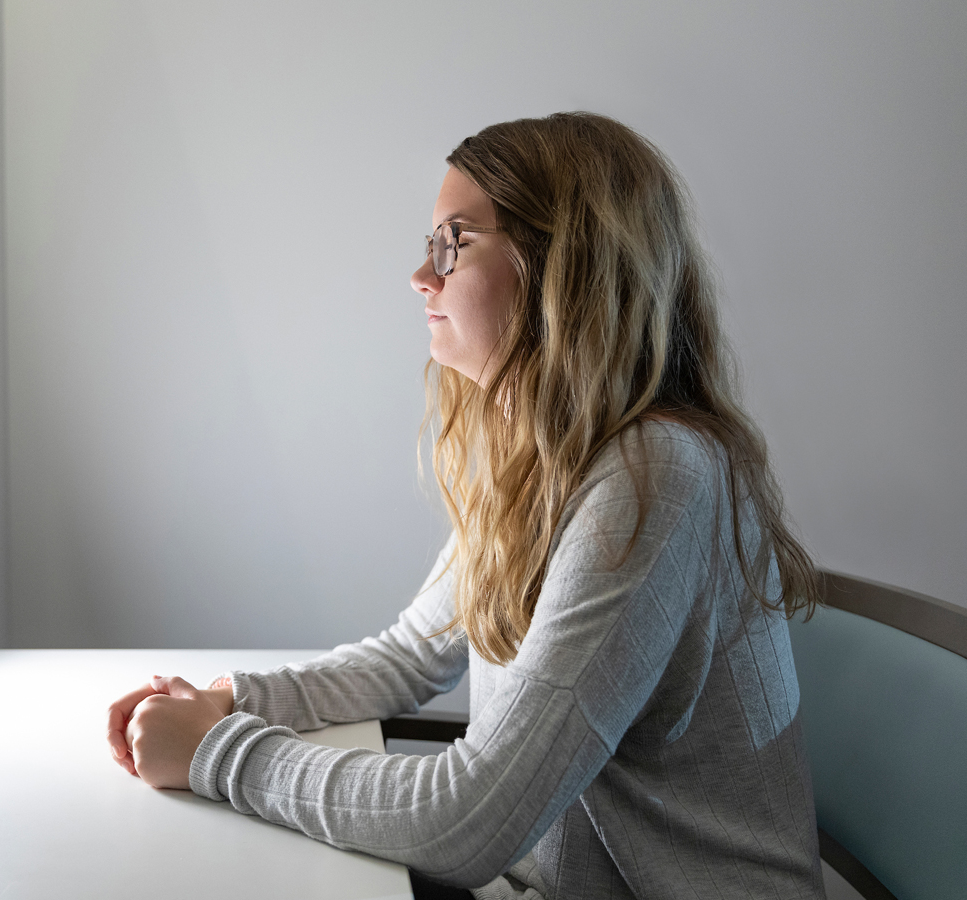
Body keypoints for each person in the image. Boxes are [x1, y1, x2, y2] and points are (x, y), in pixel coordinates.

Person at [105, 112, 826, 900]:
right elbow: (413, 655)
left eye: (454, 241)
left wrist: (217, 752)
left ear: (562, 268)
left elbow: (470, 821)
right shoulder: (550, 457)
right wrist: (232, 701)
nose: (422, 275)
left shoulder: (657, 477)